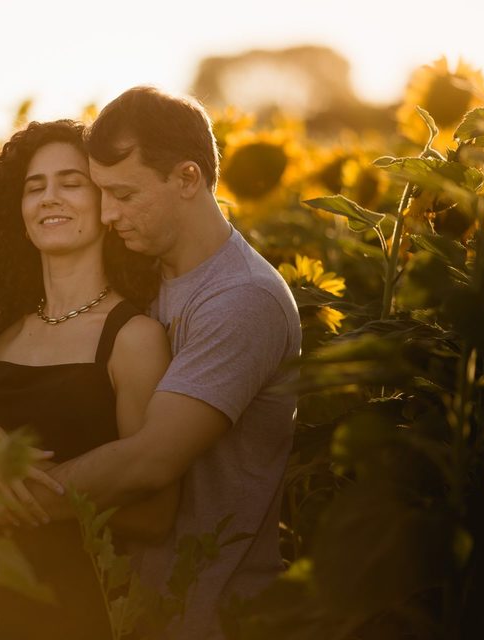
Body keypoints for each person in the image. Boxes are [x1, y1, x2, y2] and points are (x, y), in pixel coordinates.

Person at [16, 88, 303, 640]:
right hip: (122, 608)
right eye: (100, 192)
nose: (107, 214)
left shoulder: (241, 299)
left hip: (210, 614)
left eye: (123, 194)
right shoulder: (140, 274)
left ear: (188, 178)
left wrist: (6, 496)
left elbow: (149, 461)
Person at [0, 119, 177, 639]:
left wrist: (27, 496)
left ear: (105, 204)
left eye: (71, 183)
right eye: (34, 187)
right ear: (17, 212)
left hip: (73, 612)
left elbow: (154, 512)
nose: (50, 198)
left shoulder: (133, 338)